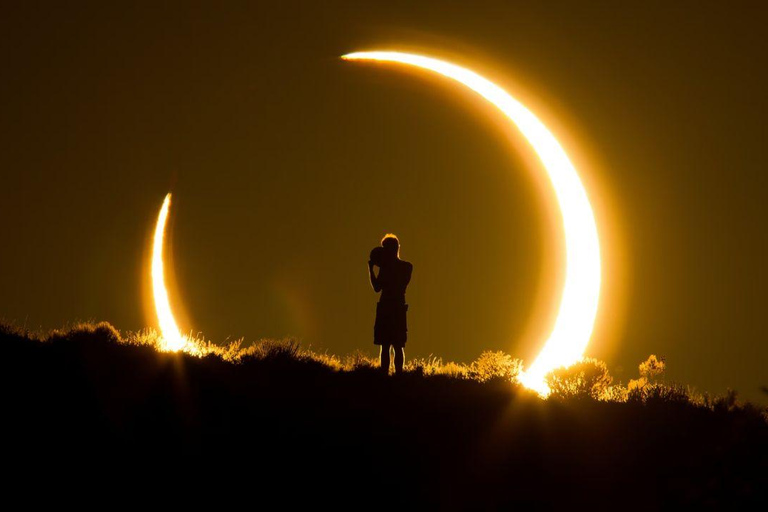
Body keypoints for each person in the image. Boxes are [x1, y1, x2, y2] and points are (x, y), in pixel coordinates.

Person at [368, 234, 413, 375]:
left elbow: (377, 288)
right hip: (396, 307)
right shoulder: (406, 267)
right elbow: (378, 288)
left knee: (388, 345)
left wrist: (371, 269)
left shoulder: (398, 267)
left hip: (389, 307)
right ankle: (396, 375)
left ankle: (387, 375)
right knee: (395, 345)